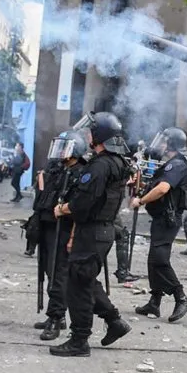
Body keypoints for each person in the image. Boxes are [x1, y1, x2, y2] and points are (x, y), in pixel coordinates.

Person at [49, 113, 133, 356]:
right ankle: (114, 321)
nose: (87, 136)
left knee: (78, 287)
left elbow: (83, 203)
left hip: (92, 230)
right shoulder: (117, 162)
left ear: (99, 136)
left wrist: (62, 209)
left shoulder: (99, 165)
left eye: (92, 132)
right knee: (83, 279)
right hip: (102, 230)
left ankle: (79, 340)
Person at [131, 127, 187, 322]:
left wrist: (141, 201)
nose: (161, 144)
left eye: (165, 141)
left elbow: (163, 189)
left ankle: (181, 297)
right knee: (153, 259)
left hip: (169, 219)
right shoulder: (172, 164)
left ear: (172, 144)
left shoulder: (177, 165)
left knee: (160, 259)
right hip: (161, 218)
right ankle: (154, 301)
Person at [32, 153, 74, 340]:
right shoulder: (57, 170)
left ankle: (55, 318)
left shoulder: (75, 173)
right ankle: (58, 314)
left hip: (62, 228)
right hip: (48, 226)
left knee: (58, 276)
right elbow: (42, 197)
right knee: (50, 272)